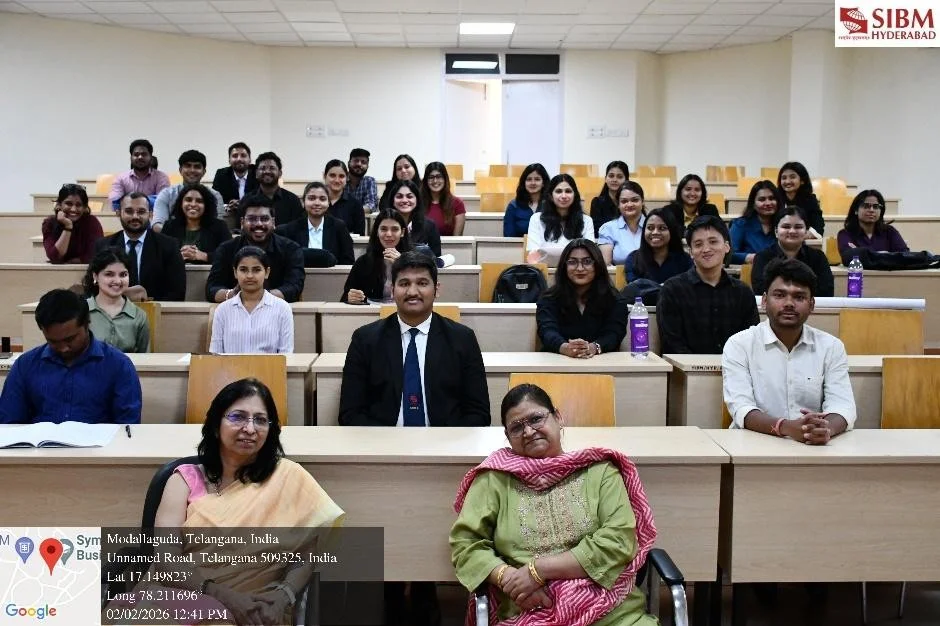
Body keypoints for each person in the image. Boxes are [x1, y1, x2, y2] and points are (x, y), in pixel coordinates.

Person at [450, 384, 658, 626]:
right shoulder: (494, 479)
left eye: (536, 419)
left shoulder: (599, 471)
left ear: (558, 418)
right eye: (517, 427)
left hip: (612, 612)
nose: (528, 431)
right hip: (527, 609)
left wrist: (538, 570)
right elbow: (466, 545)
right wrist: (509, 579)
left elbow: (619, 541)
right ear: (507, 437)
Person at [151, 378, 344, 625]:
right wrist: (222, 597)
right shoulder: (183, 481)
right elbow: (166, 560)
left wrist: (283, 596)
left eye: (260, 420)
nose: (250, 429)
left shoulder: (289, 477)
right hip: (183, 598)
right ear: (214, 425)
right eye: (238, 417)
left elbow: (308, 552)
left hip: (259, 609)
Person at [339, 251, 489, 426]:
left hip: (444, 446)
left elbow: (479, 413)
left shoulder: (462, 339)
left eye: (422, 283)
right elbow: (350, 413)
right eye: (404, 283)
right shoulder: (365, 340)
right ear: (392, 290)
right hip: (382, 445)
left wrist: (446, 445)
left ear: (437, 289)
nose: (412, 291)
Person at [723, 258, 856, 443]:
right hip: (752, 445)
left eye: (799, 297)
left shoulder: (831, 347)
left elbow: (843, 406)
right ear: (764, 301)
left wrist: (826, 429)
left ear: (811, 305)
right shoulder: (740, 345)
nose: (789, 303)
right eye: (779, 295)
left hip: (814, 446)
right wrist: (786, 427)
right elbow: (741, 408)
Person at [0, 289, 141, 424]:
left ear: (87, 324)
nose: (63, 348)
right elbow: (9, 422)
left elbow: (128, 425)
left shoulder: (118, 365)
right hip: (40, 447)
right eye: (53, 341)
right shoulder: (25, 365)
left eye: (70, 339)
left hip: (100, 447)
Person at [657, 215, 759, 354]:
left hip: (735, 371)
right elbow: (672, 343)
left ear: (727, 246)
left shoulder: (743, 292)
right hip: (687, 371)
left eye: (713, 242)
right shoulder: (672, 290)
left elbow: (751, 342)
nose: (706, 249)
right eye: (698, 244)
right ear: (691, 252)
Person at [536, 239, 627, 358]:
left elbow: (615, 333)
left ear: (597, 265)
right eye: (572, 262)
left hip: (601, 361)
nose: (580, 268)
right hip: (558, 361)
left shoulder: (615, 299)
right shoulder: (549, 298)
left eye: (587, 261)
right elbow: (546, 330)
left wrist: (593, 347)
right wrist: (564, 347)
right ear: (564, 266)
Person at [207, 195, 305, 303]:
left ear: (273, 222)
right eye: (252, 219)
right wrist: (233, 294)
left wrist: (261, 297)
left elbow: (294, 288)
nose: (258, 224)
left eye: (264, 219)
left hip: (276, 310)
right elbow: (212, 289)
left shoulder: (291, 249)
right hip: (236, 309)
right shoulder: (226, 249)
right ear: (242, 222)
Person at [95, 192, 187, 301]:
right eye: (129, 211)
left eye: (141, 212)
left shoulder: (169, 245)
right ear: (118, 213)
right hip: (111, 310)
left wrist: (146, 301)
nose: (135, 216)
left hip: (155, 311)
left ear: (150, 215)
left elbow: (177, 291)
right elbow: (94, 285)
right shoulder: (103, 245)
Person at [209, 247, 294, 354]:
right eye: (243, 270)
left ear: (267, 272)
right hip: (231, 370)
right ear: (235, 272)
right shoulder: (222, 310)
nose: (249, 276)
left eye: (256, 270)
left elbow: (285, 355)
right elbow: (215, 354)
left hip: (269, 370)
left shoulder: (282, 308)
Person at [751, 206, 834, 297]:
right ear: (776, 231)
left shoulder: (818, 257)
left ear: (806, 232)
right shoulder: (763, 257)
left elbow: (826, 291)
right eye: (786, 227)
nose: (792, 231)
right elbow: (760, 290)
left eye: (798, 227)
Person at [82, 249, 150, 353]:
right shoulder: (82, 311)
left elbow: (145, 358)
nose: (118, 281)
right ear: (95, 276)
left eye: (123, 275)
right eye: (109, 274)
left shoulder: (139, 316)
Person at [341, 209, 413, 304]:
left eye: (395, 229)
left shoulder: (414, 259)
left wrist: (402, 265)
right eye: (383, 229)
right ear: (377, 232)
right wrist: (350, 297)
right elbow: (346, 296)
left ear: (402, 232)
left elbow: (419, 291)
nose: (388, 234)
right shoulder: (363, 262)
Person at [276, 181, 355, 266]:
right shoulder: (290, 229)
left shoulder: (339, 227)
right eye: (311, 198)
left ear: (328, 203)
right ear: (303, 202)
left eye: (322, 199)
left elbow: (348, 262)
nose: (317, 203)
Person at [526, 174, 595, 265]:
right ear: (551, 196)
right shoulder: (536, 219)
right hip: (546, 270)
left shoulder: (586, 220)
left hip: (576, 271)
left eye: (568, 191)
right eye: (558, 191)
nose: (563, 196)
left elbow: (590, 252)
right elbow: (533, 254)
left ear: (575, 195)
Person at [151, 150, 225, 231]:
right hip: (171, 242)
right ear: (180, 170)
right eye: (188, 166)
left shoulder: (215, 195)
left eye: (197, 167)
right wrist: (179, 240)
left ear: (204, 172)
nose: (192, 170)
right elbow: (157, 225)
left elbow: (219, 227)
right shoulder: (167, 194)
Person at [159, 183, 232, 264]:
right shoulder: (169, 226)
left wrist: (205, 256)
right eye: (188, 200)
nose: (193, 204)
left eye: (199, 201)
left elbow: (230, 255)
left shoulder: (220, 227)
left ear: (206, 205)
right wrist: (177, 256)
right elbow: (159, 255)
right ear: (181, 203)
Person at [624, 208, 692, 284]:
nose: (655, 232)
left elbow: (687, 289)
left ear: (672, 231)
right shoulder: (633, 259)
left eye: (662, 228)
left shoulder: (685, 260)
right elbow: (635, 290)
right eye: (650, 228)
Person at [42, 183, 103, 264]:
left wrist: (75, 261)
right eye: (68, 204)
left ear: (84, 208)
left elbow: (97, 255)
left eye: (79, 205)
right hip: (57, 273)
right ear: (59, 205)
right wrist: (68, 226)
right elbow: (55, 257)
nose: (74, 209)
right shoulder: (49, 223)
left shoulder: (91, 222)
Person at [837, 189, 909, 255]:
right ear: (856, 210)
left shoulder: (890, 231)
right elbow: (849, 256)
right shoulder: (846, 234)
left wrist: (864, 253)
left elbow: (904, 255)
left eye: (876, 207)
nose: (871, 210)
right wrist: (883, 255)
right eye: (866, 206)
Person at [730, 180, 783, 264]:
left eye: (772, 198)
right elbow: (728, 254)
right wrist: (749, 257)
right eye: (762, 200)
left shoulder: (785, 225)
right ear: (753, 204)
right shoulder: (740, 224)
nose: (768, 203)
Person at [387, 178, 441, 256]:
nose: (404, 200)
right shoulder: (384, 224)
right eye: (399, 196)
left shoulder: (430, 226)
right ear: (393, 201)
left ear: (417, 200)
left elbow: (436, 260)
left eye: (409, 196)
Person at [108, 139, 171, 205]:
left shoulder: (161, 177)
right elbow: (114, 200)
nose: (140, 157)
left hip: (153, 215)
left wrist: (130, 201)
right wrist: (149, 200)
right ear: (131, 158)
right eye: (136, 154)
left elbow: (163, 201)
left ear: (151, 158)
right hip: (128, 214)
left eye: (144, 154)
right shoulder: (121, 178)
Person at [598, 181, 646, 266]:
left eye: (635, 200)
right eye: (624, 201)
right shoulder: (608, 228)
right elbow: (606, 265)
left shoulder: (653, 227)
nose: (630, 204)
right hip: (619, 278)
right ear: (618, 204)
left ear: (642, 201)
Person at [212, 141, 259, 227]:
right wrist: (228, 206)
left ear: (250, 160)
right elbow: (215, 201)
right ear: (229, 160)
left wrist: (244, 204)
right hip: (230, 219)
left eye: (243, 156)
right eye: (235, 156)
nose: (239, 159)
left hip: (254, 219)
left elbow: (261, 198)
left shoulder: (257, 174)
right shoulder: (221, 174)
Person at [253, 151, 304, 225]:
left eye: (272, 168)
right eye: (263, 168)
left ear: (280, 173)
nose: (267, 171)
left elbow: (298, 229)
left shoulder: (293, 201)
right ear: (256, 173)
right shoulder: (247, 200)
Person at [777, 161, 824, 237]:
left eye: (792, 177)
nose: (787, 181)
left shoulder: (810, 200)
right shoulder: (775, 199)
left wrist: (803, 235)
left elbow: (818, 226)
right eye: (784, 178)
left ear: (802, 181)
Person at [503, 163, 549, 238]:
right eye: (529, 179)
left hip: (546, 248)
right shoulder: (513, 206)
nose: (533, 183)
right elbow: (509, 237)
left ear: (543, 183)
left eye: (537, 179)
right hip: (518, 248)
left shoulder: (551, 205)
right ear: (524, 183)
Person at [421, 162, 466, 236]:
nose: (435, 181)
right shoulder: (418, 203)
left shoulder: (457, 204)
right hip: (423, 247)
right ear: (426, 181)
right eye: (431, 177)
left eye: (439, 177)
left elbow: (457, 240)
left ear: (445, 179)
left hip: (449, 247)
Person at [323, 158, 366, 235]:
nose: (337, 180)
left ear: (347, 178)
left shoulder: (355, 204)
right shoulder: (316, 201)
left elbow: (359, 235)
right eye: (332, 175)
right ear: (324, 176)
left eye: (341, 176)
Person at [589, 160, 630, 236]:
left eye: (619, 177)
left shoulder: (630, 203)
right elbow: (597, 230)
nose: (614, 180)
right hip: (605, 242)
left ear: (626, 180)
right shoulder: (597, 202)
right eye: (611, 176)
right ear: (605, 179)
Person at [346, 147, 378, 211]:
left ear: (367, 166)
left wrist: (351, 212)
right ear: (349, 163)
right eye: (356, 160)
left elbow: (371, 205)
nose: (359, 164)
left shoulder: (369, 181)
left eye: (363, 162)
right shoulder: (341, 179)